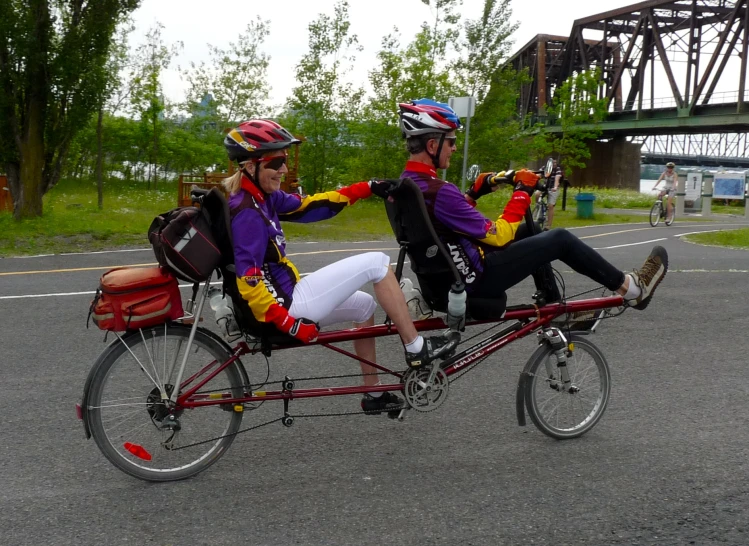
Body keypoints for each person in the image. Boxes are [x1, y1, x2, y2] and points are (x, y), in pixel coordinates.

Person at [222, 120, 458, 417]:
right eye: (278, 161)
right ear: (251, 165)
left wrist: (367, 188)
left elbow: (311, 206)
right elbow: (250, 281)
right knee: (377, 263)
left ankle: (372, 393)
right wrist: (290, 324)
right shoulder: (247, 213)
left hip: (288, 296)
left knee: (364, 307)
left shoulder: (262, 198)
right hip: (287, 307)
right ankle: (416, 347)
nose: (284, 169)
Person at [397, 99, 669, 315]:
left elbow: (438, 225)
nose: (454, 148)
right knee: (560, 238)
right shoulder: (440, 191)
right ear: (433, 145)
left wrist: (472, 194)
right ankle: (633, 290)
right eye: (451, 141)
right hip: (473, 280)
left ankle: (553, 303)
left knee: (530, 229)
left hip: (442, 281)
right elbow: (499, 234)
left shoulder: (408, 185)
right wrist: (522, 193)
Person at [545, 158, 563, 230]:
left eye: (555, 163)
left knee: (551, 205)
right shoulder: (544, 168)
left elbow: (557, 179)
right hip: (545, 187)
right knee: (537, 194)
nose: (554, 164)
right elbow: (538, 175)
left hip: (553, 189)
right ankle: (539, 207)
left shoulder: (558, 170)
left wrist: (555, 187)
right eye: (553, 163)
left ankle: (548, 225)